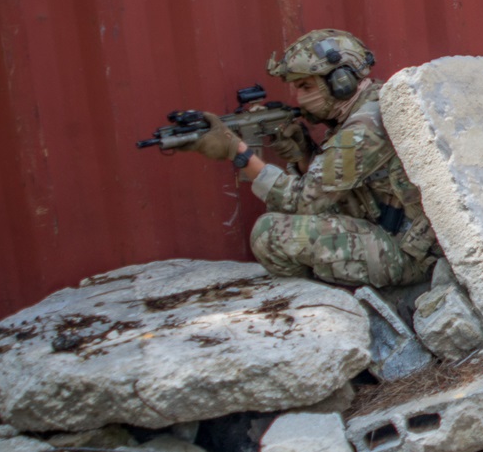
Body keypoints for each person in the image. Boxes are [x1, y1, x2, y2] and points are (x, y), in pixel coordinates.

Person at [178, 29, 436, 288]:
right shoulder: (370, 104)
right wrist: (303, 154)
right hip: (394, 235)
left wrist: (239, 152)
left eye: (306, 86)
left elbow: (304, 200)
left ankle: (327, 297)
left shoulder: (364, 127)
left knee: (268, 234)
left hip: (407, 254)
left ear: (341, 82)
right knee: (281, 210)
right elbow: (331, 186)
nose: (299, 98)